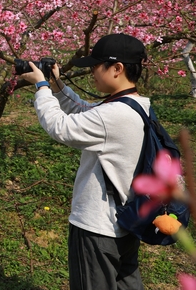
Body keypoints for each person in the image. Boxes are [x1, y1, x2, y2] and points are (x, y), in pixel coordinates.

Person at [19, 33, 149, 290]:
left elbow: (60, 127)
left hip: (98, 228)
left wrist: (42, 87)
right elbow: (89, 113)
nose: (92, 72)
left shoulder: (114, 114)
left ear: (117, 68)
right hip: (125, 222)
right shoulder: (137, 105)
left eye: (95, 66)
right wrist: (57, 86)